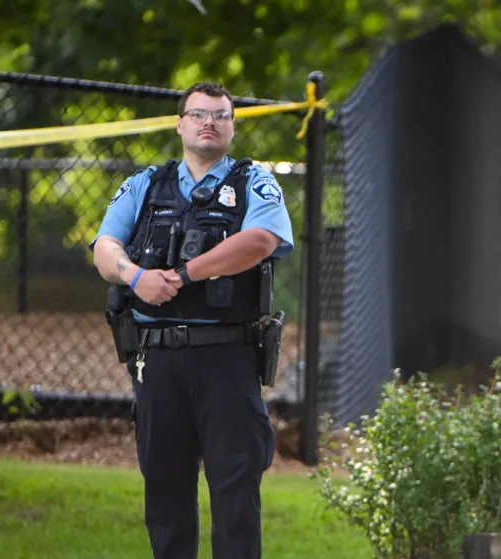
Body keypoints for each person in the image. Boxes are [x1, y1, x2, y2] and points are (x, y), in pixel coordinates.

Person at [90, 81, 294, 559]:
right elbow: (104, 247)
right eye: (199, 114)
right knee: (164, 491)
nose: (209, 122)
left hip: (227, 358)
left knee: (235, 493)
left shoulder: (253, 183)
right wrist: (136, 277)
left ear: (232, 128)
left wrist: (183, 275)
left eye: (221, 115)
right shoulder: (145, 184)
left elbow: (261, 239)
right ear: (180, 123)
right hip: (156, 360)